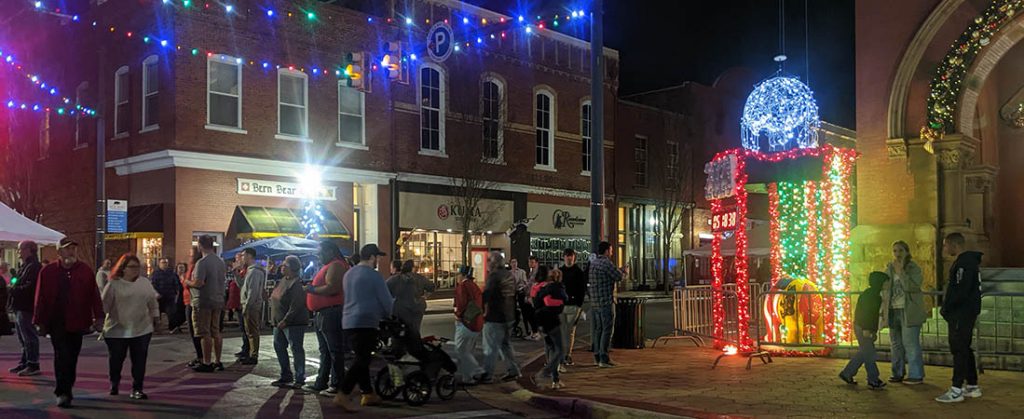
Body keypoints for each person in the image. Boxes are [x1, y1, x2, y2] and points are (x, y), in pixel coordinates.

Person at [32, 238, 103, 408]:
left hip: (78, 320)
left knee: (72, 356)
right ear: (59, 252)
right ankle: (62, 391)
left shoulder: (85, 271)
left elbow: (94, 295)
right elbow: (39, 296)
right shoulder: (48, 272)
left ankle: (68, 386)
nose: (71, 251)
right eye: (67, 249)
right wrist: (39, 321)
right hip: (56, 321)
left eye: (73, 248)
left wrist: (99, 316)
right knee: (61, 355)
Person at [333, 244, 393, 412]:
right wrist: (388, 315)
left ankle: (368, 393)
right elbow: (386, 301)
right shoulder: (374, 276)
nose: (378, 261)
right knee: (363, 359)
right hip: (366, 321)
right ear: (372, 257)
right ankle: (343, 393)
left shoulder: (349, 274)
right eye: (378, 258)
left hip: (348, 322)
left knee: (361, 357)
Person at [102, 254, 159, 400]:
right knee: (116, 359)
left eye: (137, 267)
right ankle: (114, 383)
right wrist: (98, 320)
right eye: (132, 267)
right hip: (117, 329)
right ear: (123, 268)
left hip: (141, 328)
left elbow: (152, 301)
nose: (135, 270)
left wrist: (155, 317)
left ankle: (137, 388)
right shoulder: (114, 284)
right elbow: (105, 306)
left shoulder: (144, 283)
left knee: (139, 360)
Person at [935, 233, 984, 403]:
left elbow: (960, 290)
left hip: (961, 313)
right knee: (964, 347)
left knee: (958, 348)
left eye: (945, 245)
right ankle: (972, 384)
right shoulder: (969, 263)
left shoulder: (964, 264)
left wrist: (947, 308)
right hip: (965, 312)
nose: (944, 249)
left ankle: (956, 389)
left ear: (954, 245)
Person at [303, 241, 350, 396]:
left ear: (330, 251)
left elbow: (332, 288)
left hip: (331, 313)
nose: (318, 255)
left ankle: (337, 385)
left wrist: (311, 289)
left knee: (334, 350)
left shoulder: (336, 265)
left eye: (320, 252)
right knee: (325, 351)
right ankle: (321, 382)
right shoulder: (330, 265)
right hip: (323, 313)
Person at [881, 241, 927, 385]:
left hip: (909, 310)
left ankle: (916, 374)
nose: (897, 254)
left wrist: (901, 273)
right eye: (894, 251)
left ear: (907, 252)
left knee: (910, 343)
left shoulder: (913, 268)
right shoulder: (889, 268)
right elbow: (885, 287)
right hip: (893, 309)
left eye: (900, 250)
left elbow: (913, 287)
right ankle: (897, 372)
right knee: (896, 344)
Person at [839, 271, 889, 390]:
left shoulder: (872, 294)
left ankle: (847, 373)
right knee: (870, 354)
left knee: (864, 352)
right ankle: (873, 379)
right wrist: (867, 329)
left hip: (862, 326)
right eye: (886, 281)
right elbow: (867, 314)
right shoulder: (873, 296)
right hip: (863, 327)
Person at [186, 235, 228, 373]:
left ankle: (207, 362)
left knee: (205, 332)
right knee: (216, 331)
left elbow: (199, 283)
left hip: (203, 301)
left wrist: (187, 282)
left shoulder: (202, 263)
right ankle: (218, 361)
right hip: (218, 299)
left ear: (200, 245)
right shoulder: (221, 262)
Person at [478, 251, 521, 383]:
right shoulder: (509, 275)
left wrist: (478, 307)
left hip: (495, 316)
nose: (487, 263)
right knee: (505, 344)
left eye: (489, 261)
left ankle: (487, 374)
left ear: (494, 263)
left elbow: (487, 295)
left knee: (490, 347)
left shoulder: (494, 276)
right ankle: (513, 370)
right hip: (509, 315)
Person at [271, 256, 309, 389]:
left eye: (285, 265)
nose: (282, 267)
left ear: (292, 268)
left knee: (296, 349)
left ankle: (299, 377)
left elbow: (296, 305)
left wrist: (286, 320)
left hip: (293, 323)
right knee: (279, 347)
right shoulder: (283, 280)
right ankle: (285, 374)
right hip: (278, 321)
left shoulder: (296, 284)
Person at [588, 242, 626, 368]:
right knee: (607, 329)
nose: (612, 252)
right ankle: (604, 358)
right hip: (605, 301)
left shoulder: (593, 264)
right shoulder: (606, 263)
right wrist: (624, 271)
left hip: (595, 302)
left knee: (598, 329)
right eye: (610, 250)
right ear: (606, 251)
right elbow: (618, 276)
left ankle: (597, 356)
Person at [9, 240, 42, 377]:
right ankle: (25, 361)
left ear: (28, 249)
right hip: (19, 305)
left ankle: (32, 363)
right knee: (23, 337)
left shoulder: (34, 266)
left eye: (20, 249)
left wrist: (14, 289)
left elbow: (30, 287)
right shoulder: (25, 266)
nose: (18, 252)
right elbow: (17, 281)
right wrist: (14, 282)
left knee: (29, 336)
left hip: (26, 306)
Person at [534, 267, 568, 389]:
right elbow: (565, 299)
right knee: (560, 350)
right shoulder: (557, 288)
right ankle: (546, 372)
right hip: (552, 321)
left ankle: (555, 380)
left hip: (543, 322)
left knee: (551, 349)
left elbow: (536, 301)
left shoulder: (543, 288)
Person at [387, 259, 435, 340]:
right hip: (417, 307)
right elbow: (432, 287)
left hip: (401, 309)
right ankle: (415, 345)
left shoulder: (395, 279)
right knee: (415, 329)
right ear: (412, 268)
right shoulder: (419, 278)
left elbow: (385, 290)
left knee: (399, 330)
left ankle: (399, 347)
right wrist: (425, 296)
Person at [453, 266, 485, 385]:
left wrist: (458, 315)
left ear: (463, 275)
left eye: (459, 274)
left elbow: (461, 304)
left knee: (460, 349)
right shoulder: (474, 286)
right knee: (468, 351)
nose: (457, 276)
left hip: (466, 323)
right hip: (477, 322)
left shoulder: (463, 286)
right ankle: (468, 377)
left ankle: (476, 370)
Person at [238, 248, 267, 365]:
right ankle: (251, 353)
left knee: (252, 331)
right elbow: (243, 286)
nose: (241, 258)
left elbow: (253, 292)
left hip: (252, 306)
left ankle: (253, 355)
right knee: (249, 330)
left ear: (249, 256)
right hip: (250, 304)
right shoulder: (250, 271)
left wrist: (247, 307)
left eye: (243, 255)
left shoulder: (254, 271)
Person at [559, 249, 587, 367]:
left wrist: (578, 305)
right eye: (567, 256)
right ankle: (562, 354)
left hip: (573, 305)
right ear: (564, 257)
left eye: (571, 256)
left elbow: (582, 289)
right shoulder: (560, 272)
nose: (569, 258)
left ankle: (567, 354)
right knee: (561, 330)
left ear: (574, 258)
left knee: (569, 331)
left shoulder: (578, 272)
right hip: (561, 305)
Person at [181, 248, 204, 367]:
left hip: (192, 301)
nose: (189, 257)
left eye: (191, 255)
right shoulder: (191, 266)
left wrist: (185, 281)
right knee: (193, 330)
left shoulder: (197, 266)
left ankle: (201, 357)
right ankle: (200, 356)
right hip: (187, 300)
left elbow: (195, 283)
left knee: (195, 330)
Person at [150, 257, 179, 334]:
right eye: (163, 263)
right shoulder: (155, 273)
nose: (164, 264)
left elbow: (176, 284)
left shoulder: (171, 273)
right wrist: (155, 293)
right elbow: (152, 284)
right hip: (159, 297)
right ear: (159, 264)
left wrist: (176, 293)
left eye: (166, 263)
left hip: (169, 297)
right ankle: (157, 329)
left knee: (171, 312)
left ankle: (172, 328)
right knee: (156, 314)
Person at [521, 256, 541, 340]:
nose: (530, 264)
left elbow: (535, 285)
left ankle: (536, 333)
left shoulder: (538, 273)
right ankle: (533, 332)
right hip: (529, 296)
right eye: (529, 262)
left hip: (533, 297)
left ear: (536, 263)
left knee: (532, 315)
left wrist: (530, 296)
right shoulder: (531, 272)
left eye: (532, 262)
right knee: (528, 314)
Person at [509, 258, 529, 337]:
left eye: (515, 262)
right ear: (510, 264)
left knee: (524, 311)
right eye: (512, 262)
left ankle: (526, 329)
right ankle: (514, 328)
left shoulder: (522, 272)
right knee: (513, 311)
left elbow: (525, 283)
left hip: (520, 292)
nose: (514, 264)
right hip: (512, 294)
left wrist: (522, 287)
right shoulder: (508, 273)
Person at [169, 262, 189, 332]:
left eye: (183, 267)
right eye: (180, 267)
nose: (181, 269)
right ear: (177, 268)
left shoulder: (186, 276)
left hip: (184, 296)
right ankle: (174, 326)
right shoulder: (174, 276)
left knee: (183, 312)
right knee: (176, 311)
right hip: (176, 296)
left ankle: (178, 325)